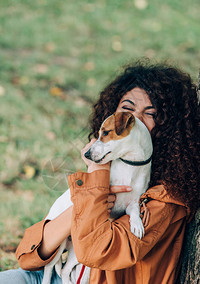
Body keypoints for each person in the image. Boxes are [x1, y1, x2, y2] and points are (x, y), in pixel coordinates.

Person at [0, 60, 200, 283]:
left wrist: (97, 171)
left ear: (171, 127)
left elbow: (97, 252)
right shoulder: (110, 166)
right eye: (127, 109)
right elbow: (29, 257)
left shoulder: (167, 197)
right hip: (51, 277)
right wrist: (88, 197)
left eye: (151, 113)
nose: (134, 121)